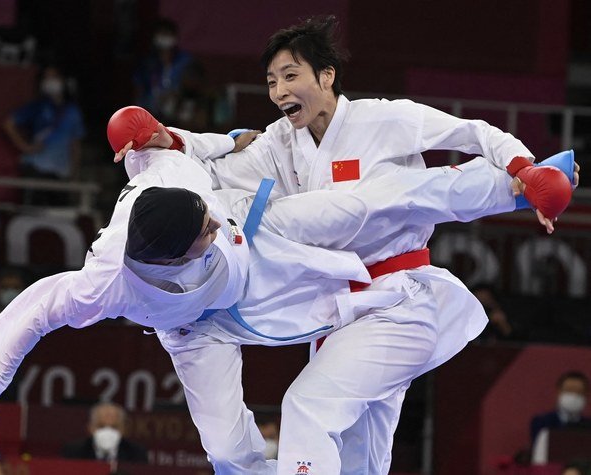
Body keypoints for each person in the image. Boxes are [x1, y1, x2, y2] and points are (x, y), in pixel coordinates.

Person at [0, 107, 572, 475]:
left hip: (259, 246)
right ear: (165, 257)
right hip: (194, 328)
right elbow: (33, 311)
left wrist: (191, 137)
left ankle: (523, 181)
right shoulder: (107, 281)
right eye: (201, 232)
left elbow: (184, 150)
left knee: (368, 203)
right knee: (223, 446)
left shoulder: (182, 185)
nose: (207, 224)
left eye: (203, 217)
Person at [151, 16, 581, 475]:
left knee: (307, 406)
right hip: (338, 310)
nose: (278, 91)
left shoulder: (383, 118)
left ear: (327, 75)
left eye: (291, 76)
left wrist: (527, 170)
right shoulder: (279, 142)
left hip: (400, 300)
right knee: (361, 461)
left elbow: (471, 133)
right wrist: (169, 142)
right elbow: (217, 173)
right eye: (272, 81)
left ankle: (513, 188)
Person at [2, 64, 85, 204]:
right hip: (36, 170)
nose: (50, 81)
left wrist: (74, 175)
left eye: (54, 77)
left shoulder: (73, 112)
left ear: (64, 80)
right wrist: (26, 147)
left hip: (61, 174)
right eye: (46, 78)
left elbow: (75, 145)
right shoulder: (38, 107)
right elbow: (8, 124)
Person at [133, 18, 193, 123]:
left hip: (177, 107)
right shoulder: (147, 61)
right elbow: (138, 86)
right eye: (161, 34)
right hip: (151, 108)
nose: (164, 38)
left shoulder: (185, 60)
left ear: (174, 37)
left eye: (167, 34)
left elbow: (192, 85)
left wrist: (176, 95)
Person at [62, 402, 148, 464]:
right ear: (90, 428)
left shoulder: (136, 454)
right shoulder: (74, 452)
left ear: (123, 429)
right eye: (101, 427)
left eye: (114, 427)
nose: (107, 432)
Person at [531, 371, 591, 445]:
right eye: (569, 390)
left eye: (579, 392)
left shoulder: (589, 426)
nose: (574, 396)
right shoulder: (542, 422)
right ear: (558, 392)